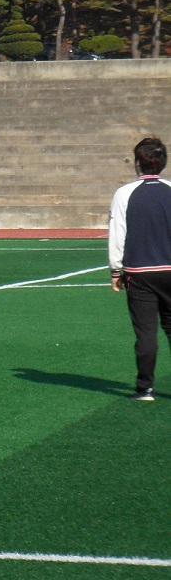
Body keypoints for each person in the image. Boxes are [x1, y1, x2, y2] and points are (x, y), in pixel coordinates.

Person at [108, 137, 171, 401]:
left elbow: (117, 232)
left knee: (145, 332)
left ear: (137, 163)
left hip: (140, 272)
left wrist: (115, 269)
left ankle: (145, 388)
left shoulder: (124, 193)